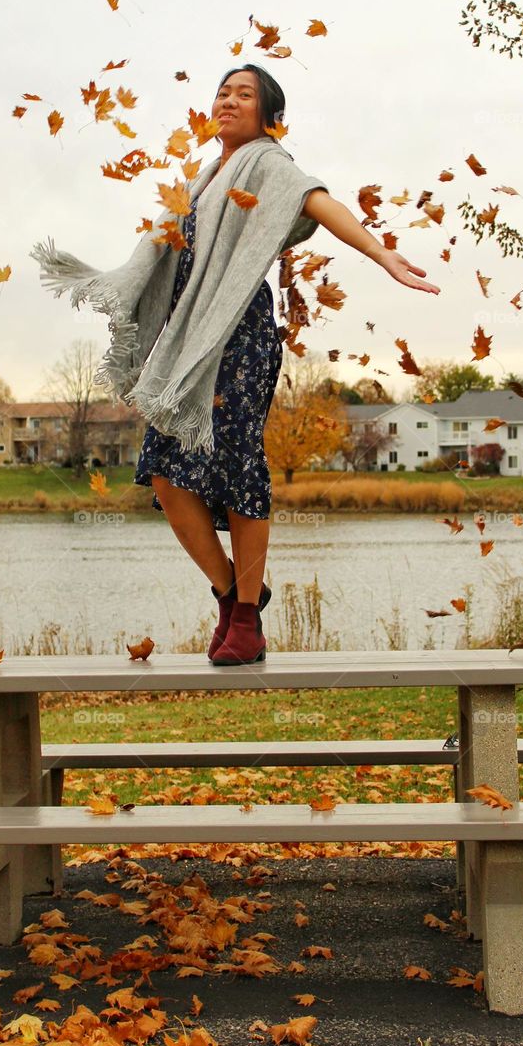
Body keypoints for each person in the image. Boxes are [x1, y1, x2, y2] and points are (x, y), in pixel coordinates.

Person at [131, 63, 440, 666]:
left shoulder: (267, 162)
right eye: (223, 92)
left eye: (244, 94)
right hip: (191, 342)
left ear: (268, 114)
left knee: (240, 463)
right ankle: (232, 592)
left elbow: (317, 201)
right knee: (166, 473)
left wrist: (381, 254)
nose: (228, 100)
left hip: (240, 336)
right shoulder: (203, 178)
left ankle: (246, 619)